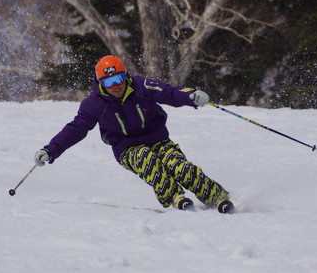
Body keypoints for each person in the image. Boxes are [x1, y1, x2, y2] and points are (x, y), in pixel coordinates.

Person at [35, 55, 234, 213]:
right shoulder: (94, 104)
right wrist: (51, 150)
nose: (116, 85)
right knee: (147, 160)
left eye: (119, 78)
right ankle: (175, 197)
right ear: (100, 82)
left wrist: (190, 96)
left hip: (158, 140)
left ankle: (216, 196)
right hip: (127, 149)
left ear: (125, 75)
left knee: (179, 166)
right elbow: (75, 129)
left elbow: (168, 93)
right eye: (109, 81)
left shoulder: (140, 86)